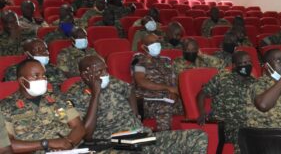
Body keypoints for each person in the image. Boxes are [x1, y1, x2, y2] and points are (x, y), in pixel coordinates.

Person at [65, 55, 208, 153]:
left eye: (106, 69)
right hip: (114, 144)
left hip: (140, 135)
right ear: (85, 75)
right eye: (99, 71)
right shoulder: (74, 95)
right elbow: (87, 135)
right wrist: (95, 94)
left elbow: (129, 90)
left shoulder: (113, 82)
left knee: (197, 137)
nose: (105, 74)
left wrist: (135, 114)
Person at [0, 58, 85, 153]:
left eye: (44, 75)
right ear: (22, 81)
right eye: (36, 76)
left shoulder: (57, 98)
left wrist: (68, 144)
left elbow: (78, 127)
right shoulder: (5, 107)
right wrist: (46, 144)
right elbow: (5, 147)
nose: (42, 79)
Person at [197, 50, 256, 153]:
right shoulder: (222, 78)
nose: (247, 65)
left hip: (248, 123)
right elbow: (201, 94)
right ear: (234, 65)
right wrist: (202, 112)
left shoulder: (254, 82)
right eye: (243, 63)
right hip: (226, 125)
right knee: (243, 135)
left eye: (249, 62)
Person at [132, 34, 183, 131]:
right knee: (165, 107)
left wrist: (175, 93)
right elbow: (141, 81)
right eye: (152, 43)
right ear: (144, 47)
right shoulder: (139, 61)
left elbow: (174, 81)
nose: (156, 45)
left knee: (189, 105)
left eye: (157, 42)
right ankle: (163, 140)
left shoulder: (165, 61)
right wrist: (168, 88)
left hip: (170, 97)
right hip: (148, 101)